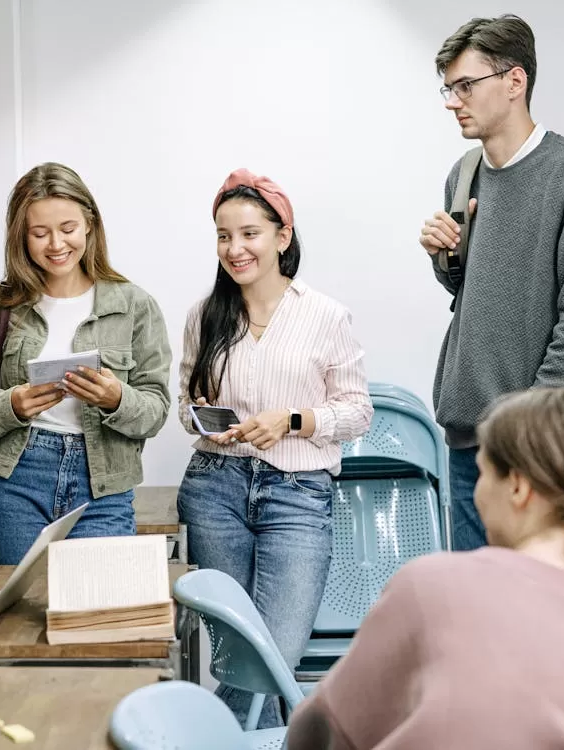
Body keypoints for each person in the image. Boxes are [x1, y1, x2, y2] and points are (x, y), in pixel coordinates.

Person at [286, 387, 564, 750]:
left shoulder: (434, 586)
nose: (476, 491)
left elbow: (321, 731)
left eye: (484, 472)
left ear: (518, 488)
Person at [418, 14, 564, 551]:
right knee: (478, 617)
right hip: (472, 443)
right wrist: (447, 259)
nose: (452, 100)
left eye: (466, 85)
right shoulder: (462, 174)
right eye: (448, 87)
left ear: (515, 81)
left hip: (550, 446)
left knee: (556, 616)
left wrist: (527, 426)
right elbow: (475, 293)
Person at [176, 168, 373, 729]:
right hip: (215, 489)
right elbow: (184, 407)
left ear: (282, 236)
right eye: (222, 235)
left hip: (298, 495)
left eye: (249, 234)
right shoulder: (205, 315)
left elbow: (357, 411)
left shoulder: (326, 315)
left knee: (271, 657)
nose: (234, 249)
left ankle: (206, 737)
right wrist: (205, 421)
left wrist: (293, 419)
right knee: (236, 655)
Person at [0, 162, 172, 565]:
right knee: (13, 619)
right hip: (16, 481)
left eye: (67, 229)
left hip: (103, 486)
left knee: (95, 616)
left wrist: (117, 398)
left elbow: (155, 411)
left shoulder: (134, 306)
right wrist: (12, 405)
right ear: (21, 236)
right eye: (39, 233)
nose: (55, 244)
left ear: (89, 223)